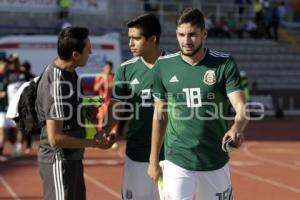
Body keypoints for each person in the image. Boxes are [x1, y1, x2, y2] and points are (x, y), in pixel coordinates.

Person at [147, 8, 249, 200]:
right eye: (181, 35)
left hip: (214, 158)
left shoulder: (224, 63)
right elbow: (159, 116)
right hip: (177, 158)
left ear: (204, 34)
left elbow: (241, 109)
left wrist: (237, 127)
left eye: (192, 34)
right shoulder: (163, 65)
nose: (186, 41)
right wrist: (153, 160)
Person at [36, 26, 114, 200]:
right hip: (59, 160)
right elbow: (55, 138)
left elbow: (74, 104)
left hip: (72, 158)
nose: (91, 51)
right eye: (88, 48)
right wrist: (95, 143)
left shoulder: (71, 72)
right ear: (75, 54)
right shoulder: (57, 83)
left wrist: (88, 107)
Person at [96, 14, 165, 200]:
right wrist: (105, 130)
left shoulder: (175, 66)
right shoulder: (125, 69)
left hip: (171, 155)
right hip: (137, 153)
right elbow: (116, 106)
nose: (130, 43)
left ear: (153, 39)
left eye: (136, 38)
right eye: (129, 38)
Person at [93, 61, 116, 132]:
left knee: (113, 117)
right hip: (101, 100)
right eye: (106, 68)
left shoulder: (113, 76)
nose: (108, 69)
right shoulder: (99, 76)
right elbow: (95, 88)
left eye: (109, 68)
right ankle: (100, 133)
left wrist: (110, 85)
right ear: (104, 68)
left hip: (111, 100)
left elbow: (116, 88)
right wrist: (102, 81)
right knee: (101, 117)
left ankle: (112, 134)